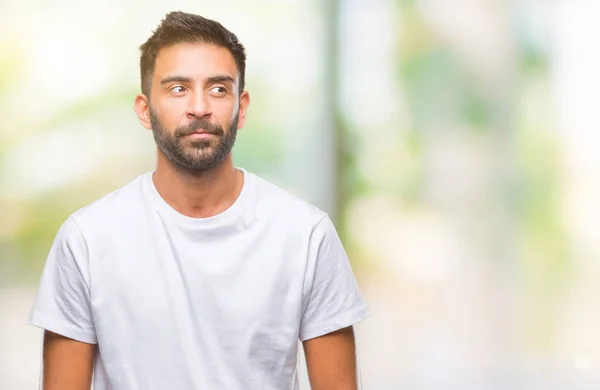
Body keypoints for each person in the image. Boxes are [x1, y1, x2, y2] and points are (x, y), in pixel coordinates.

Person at [28, 10, 370, 390]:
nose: (200, 107)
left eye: (218, 89)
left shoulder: (306, 235)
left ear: (242, 108)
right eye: (178, 89)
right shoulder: (87, 239)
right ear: (145, 110)